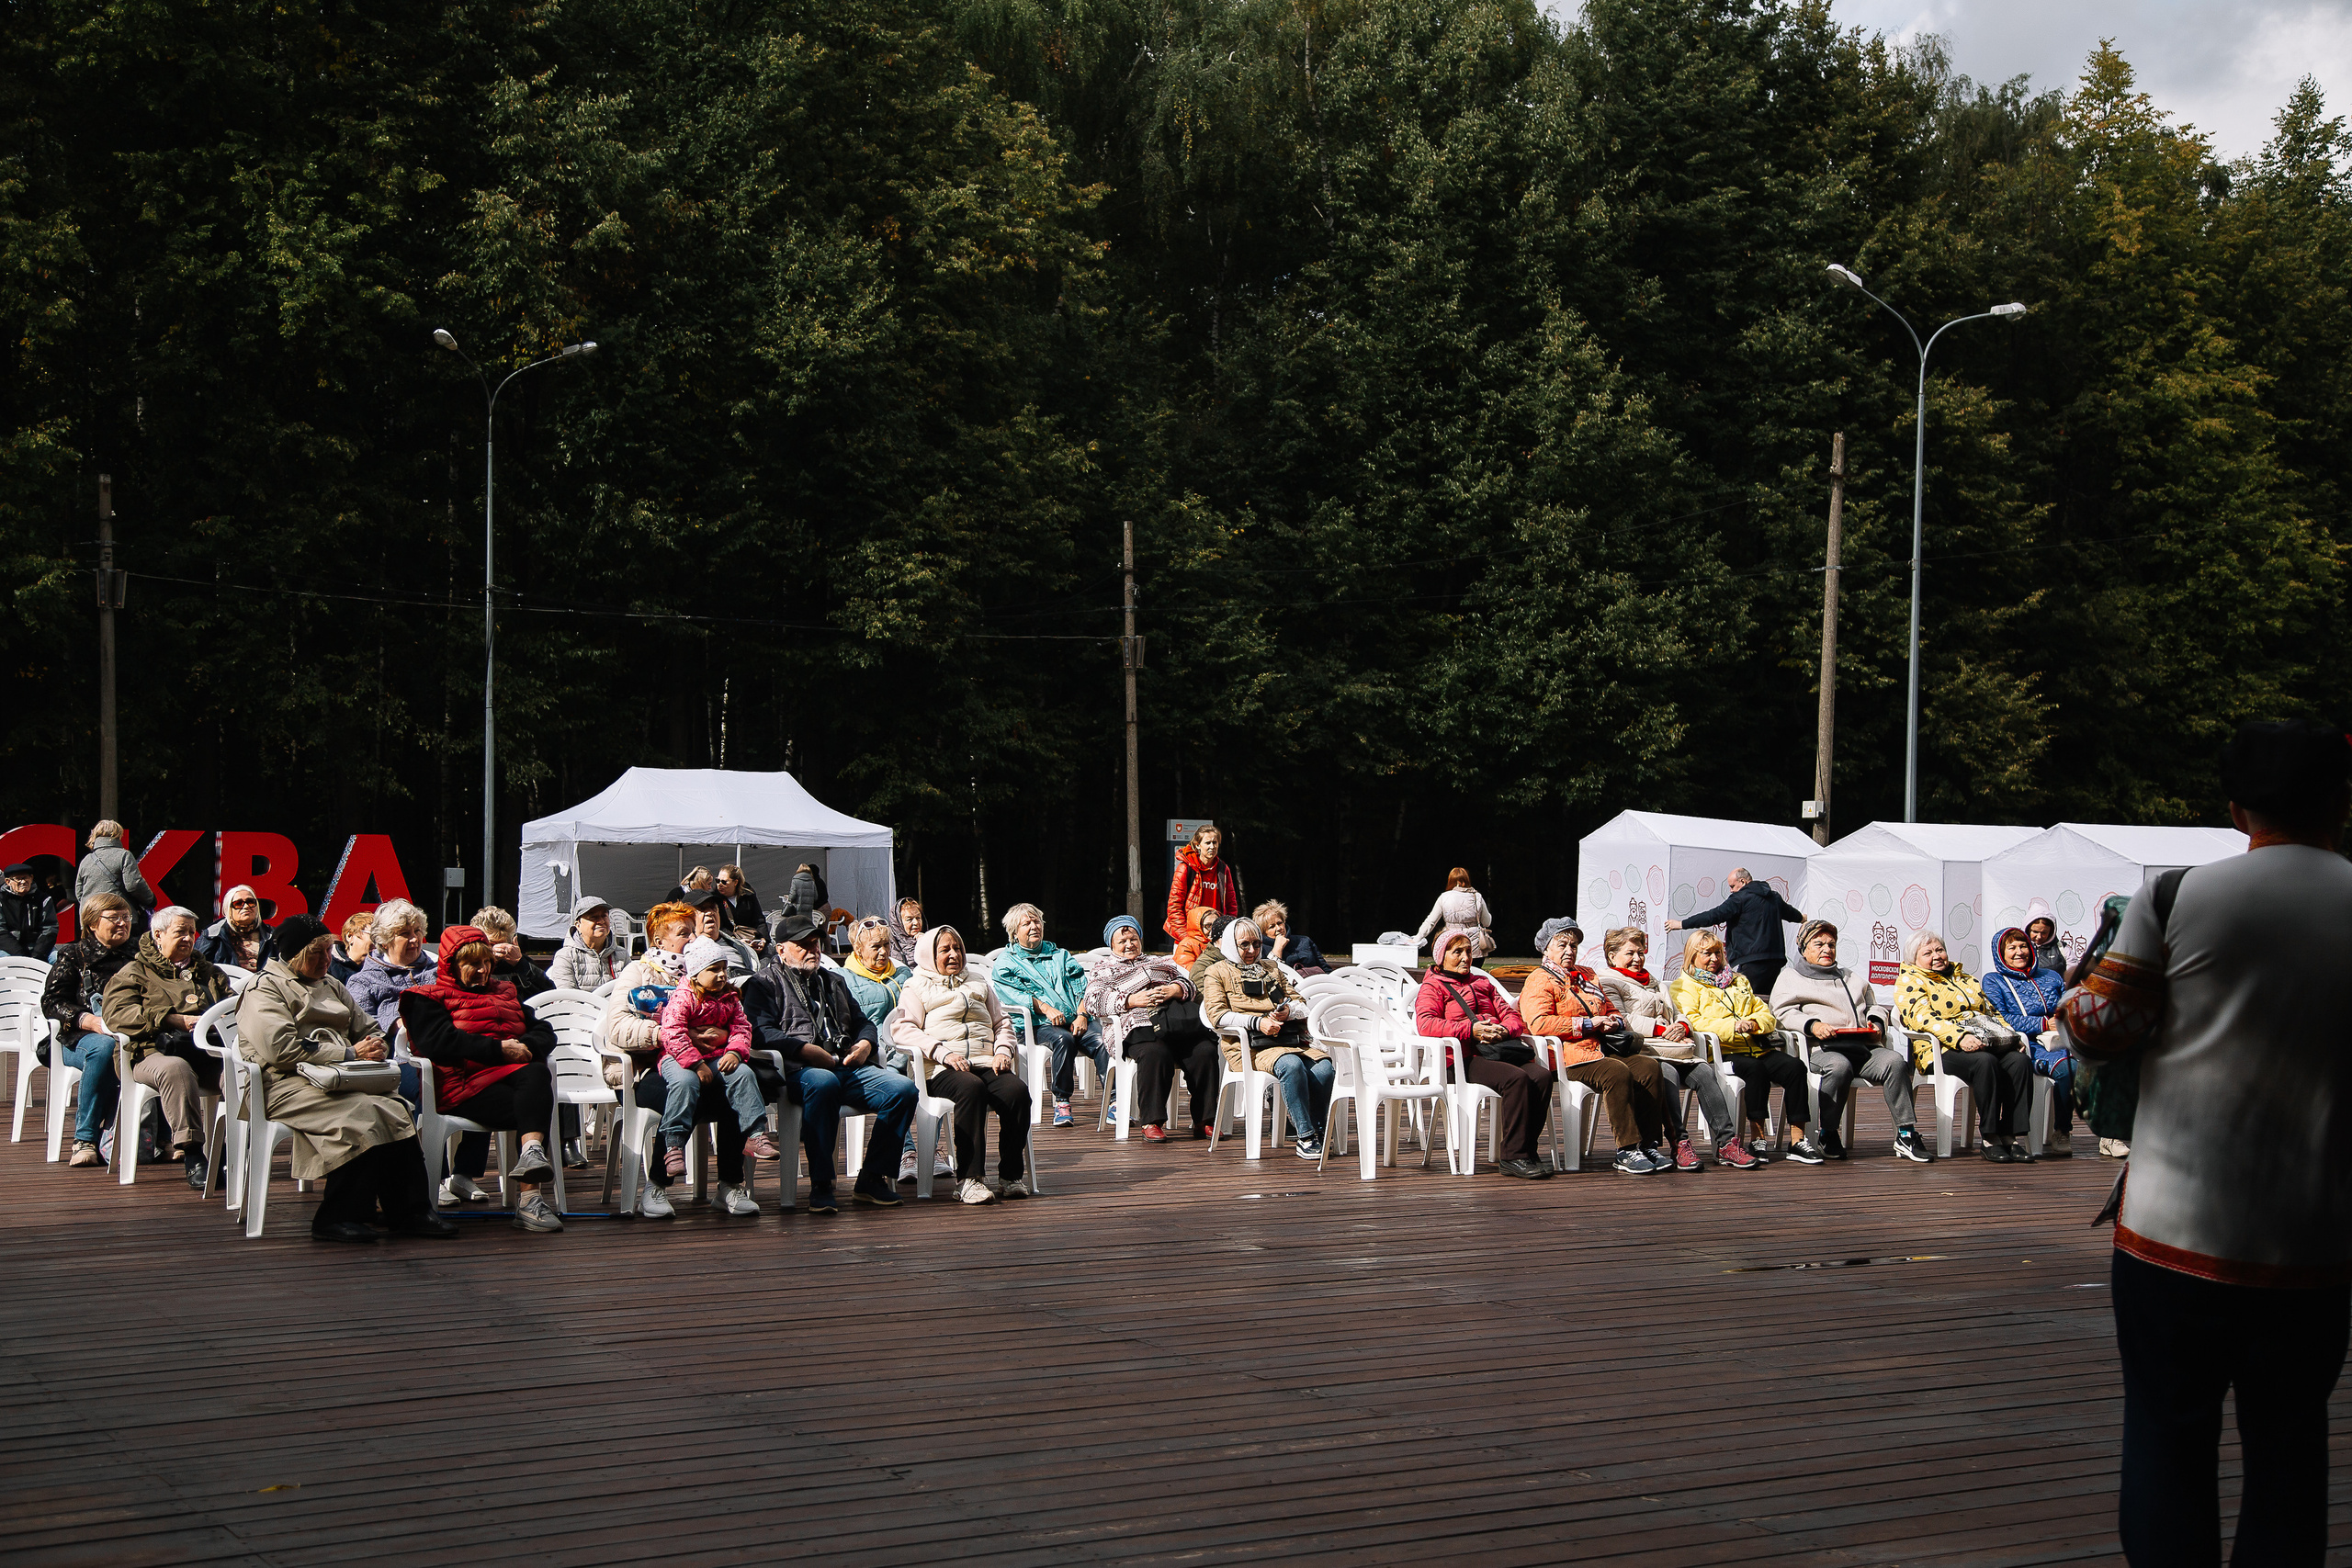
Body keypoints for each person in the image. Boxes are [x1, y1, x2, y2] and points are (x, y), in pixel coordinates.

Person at [2060, 717, 2352, 1564]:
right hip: (2315, 1238)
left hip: (2172, 1232)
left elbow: (2102, 1027)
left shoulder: (2180, 896)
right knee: (2291, 1448)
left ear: (2235, 809)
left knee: (2166, 1438)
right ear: (2343, 801)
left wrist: (2077, 1003)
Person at [235, 913, 458, 1243]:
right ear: (296, 955)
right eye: (317, 953)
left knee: (396, 1109)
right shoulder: (265, 989)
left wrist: (377, 1044)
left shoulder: (331, 984)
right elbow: (281, 1050)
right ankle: (337, 1216)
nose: (327, 959)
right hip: (284, 1083)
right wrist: (350, 1053)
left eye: (328, 951)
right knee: (360, 1114)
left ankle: (409, 1211)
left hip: (341, 1077)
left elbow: (366, 1026)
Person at [397, 924, 567, 1234]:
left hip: (510, 1084)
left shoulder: (506, 992)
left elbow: (544, 1031)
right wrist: (500, 1050)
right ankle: (530, 1199)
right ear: (451, 965)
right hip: (462, 1090)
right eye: (472, 964)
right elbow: (440, 1042)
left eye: (487, 962)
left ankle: (530, 1160)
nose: (483, 970)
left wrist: (527, 1047)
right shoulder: (427, 998)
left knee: (535, 1077)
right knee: (533, 1104)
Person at [743, 909, 915, 1213]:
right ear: (781, 949)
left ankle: (872, 1178)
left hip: (846, 1064)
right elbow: (759, 1032)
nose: (813, 951)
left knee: (903, 1090)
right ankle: (821, 1184)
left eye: (816, 944)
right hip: (799, 1070)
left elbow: (863, 1021)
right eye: (803, 945)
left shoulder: (832, 980)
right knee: (823, 1082)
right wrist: (802, 1050)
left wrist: (865, 1043)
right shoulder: (763, 983)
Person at [603, 904, 740, 1220]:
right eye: (683, 933)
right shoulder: (638, 972)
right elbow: (618, 1028)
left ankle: (730, 1185)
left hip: (704, 1061)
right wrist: (672, 1034)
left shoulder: (706, 972)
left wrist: (722, 1034)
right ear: (659, 941)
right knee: (685, 1089)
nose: (693, 938)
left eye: (693, 931)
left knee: (739, 1085)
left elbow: (735, 1018)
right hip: (648, 1068)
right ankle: (656, 1186)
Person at [1516, 918, 1677, 1175]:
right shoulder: (1539, 980)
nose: (1570, 951)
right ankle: (1627, 1150)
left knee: (1648, 1066)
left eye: (1574, 945)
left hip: (1602, 1049)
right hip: (1569, 1056)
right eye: (1562, 945)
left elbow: (1610, 1008)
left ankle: (1649, 1145)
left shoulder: (1587, 975)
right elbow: (1539, 1024)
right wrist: (1588, 1024)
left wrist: (1613, 1020)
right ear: (1546, 948)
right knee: (1616, 1072)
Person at [1771, 919, 1933, 1164]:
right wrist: (1813, 1025)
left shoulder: (1850, 977)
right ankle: (1828, 1133)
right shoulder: (1791, 978)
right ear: (1804, 949)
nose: (1827, 949)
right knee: (1839, 1066)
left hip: (1861, 1047)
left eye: (1831, 944)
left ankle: (1906, 1134)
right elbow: (1782, 1012)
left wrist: (1876, 1024)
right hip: (1820, 1049)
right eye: (1819, 944)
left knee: (1894, 1061)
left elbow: (1873, 1006)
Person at [892, 925, 1029, 1205]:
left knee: (1017, 1092)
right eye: (945, 950)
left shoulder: (978, 981)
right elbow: (903, 1030)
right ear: (930, 955)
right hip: (940, 1068)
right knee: (971, 1088)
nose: (954, 954)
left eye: (958, 948)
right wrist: (941, 1052)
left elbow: (1002, 1022)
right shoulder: (916, 985)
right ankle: (968, 1179)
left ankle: (1010, 1176)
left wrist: (1003, 1050)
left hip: (985, 1061)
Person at [100, 905, 232, 1189]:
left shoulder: (208, 971)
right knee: (176, 1069)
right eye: (180, 932)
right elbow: (116, 1016)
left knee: (239, 1072)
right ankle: (193, 1153)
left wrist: (220, 1017)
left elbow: (236, 1006)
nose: (188, 938)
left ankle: (229, 1150)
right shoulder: (135, 972)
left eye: (192, 933)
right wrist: (169, 1019)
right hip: (149, 1053)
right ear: (158, 935)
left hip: (207, 1052)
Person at [1594, 926, 1743, 1172]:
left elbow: (1675, 1013)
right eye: (1630, 953)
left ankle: (1727, 1144)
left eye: (1641, 952)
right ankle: (1680, 1143)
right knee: (1667, 1074)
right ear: (1612, 955)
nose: (1637, 959)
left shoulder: (1653, 981)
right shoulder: (1608, 981)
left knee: (1705, 1072)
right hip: (1645, 1051)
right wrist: (1663, 1030)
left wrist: (1683, 1026)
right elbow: (1623, 1019)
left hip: (1674, 1048)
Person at [653, 937, 781, 1216]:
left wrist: (736, 1052)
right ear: (696, 974)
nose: (723, 975)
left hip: (717, 1057)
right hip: (678, 1058)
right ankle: (673, 1146)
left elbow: (742, 1029)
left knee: (744, 1073)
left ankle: (755, 1133)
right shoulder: (683, 996)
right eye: (715, 969)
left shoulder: (730, 998)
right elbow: (671, 1033)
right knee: (685, 1083)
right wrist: (695, 1063)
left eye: (724, 968)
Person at [1416, 924, 1555, 1179]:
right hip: (1461, 1059)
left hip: (1498, 1050)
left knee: (1542, 1077)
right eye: (1457, 952)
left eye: (1468, 951)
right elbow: (1426, 1024)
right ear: (1441, 956)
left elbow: (1512, 1016)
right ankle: (1513, 1157)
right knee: (1516, 1079)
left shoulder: (1483, 982)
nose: (1465, 957)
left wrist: (1504, 1030)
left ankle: (1527, 1149)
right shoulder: (1433, 986)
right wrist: (1471, 1029)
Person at [1896, 930, 2032, 1164]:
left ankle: (2010, 1135)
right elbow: (1922, 1019)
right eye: (1927, 953)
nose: (1937, 956)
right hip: (1939, 1050)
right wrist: (1959, 1038)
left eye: (1939, 950)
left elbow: (1991, 1012)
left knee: (2020, 1061)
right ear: (1914, 959)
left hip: (1983, 1042)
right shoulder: (1910, 979)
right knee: (1985, 1062)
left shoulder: (1965, 978)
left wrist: (2010, 1036)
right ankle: (1990, 1137)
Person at [1668, 931, 1800, 1170]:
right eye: (1706, 953)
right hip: (1721, 1052)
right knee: (1754, 1069)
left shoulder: (1739, 981)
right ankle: (1757, 1138)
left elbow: (1764, 1012)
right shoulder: (1684, 986)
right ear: (1692, 956)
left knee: (1795, 1067)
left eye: (1717, 952)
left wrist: (1756, 1024)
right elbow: (1694, 1022)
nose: (1714, 958)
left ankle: (1798, 1140)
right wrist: (1733, 1027)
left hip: (1756, 1046)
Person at [1202, 917, 1329, 1158]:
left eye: (1257, 944)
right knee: (1290, 1065)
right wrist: (1257, 1022)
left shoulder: (1271, 968)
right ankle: (1305, 1136)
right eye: (1244, 945)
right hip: (1249, 1047)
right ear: (1230, 944)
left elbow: (1301, 1003)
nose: (1252, 951)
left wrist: (1287, 1010)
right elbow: (1217, 1016)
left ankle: (1319, 1131)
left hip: (1288, 1040)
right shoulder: (1216, 972)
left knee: (1324, 1067)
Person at [1083, 916, 1215, 1144]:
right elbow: (1093, 1001)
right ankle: (1151, 1121)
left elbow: (1190, 985)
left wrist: (1173, 990)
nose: (1129, 944)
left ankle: (1204, 1120)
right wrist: (1132, 1000)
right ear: (1111, 945)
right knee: (1155, 1053)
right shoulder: (1104, 968)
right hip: (1134, 1025)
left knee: (1204, 1051)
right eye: (1122, 940)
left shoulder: (1161, 962)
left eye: (1133, 938)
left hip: (1174, 1023)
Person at [40, 892, 141, 1166]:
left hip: (132, 1033)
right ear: (93, 923)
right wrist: (91, 1021)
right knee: (105, 1048)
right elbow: (51, 1002)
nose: (122, 923)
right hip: (79, 1038)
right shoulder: (73, 954)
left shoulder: (140, 953)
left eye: (126, 917)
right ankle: (84, 1139)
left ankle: (155, 1138)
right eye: (114, 918)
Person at [990, 903, 1104, 1129]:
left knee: (1104, 1039)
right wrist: (1045, 1009)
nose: (1034, 926)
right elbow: (1013, 995)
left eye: (1037, 922)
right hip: (1034, 1025)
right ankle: (1062, 1101)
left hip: (1075, 1019)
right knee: (1064, 1039)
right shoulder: (1006, 962)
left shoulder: (1060, 955)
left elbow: (1083, 987)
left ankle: (1115, 1100)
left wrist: (1082, 1014)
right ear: (1014, 932)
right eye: (1027, 923)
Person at [1984, 925, 2072, 1156]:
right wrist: (2043, 1024)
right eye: (2011, 947)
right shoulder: (1994, 981)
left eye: (2023, 946)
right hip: (2028, 1046)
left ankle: (2110, 1136)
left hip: (2060, 1040)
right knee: (2066, 1070)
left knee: (2098, 1064)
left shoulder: (2050, 976)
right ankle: (2063, 1130)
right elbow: (2001, 1019)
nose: (2019, 952)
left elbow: (2066, 1006)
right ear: (2000, 954)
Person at [1667, 867, 1806, 997]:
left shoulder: (1740, 899)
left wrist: (1681, 924)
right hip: (1775, 960)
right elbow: (1791, 913)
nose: (1731, 891)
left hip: (1751, 960)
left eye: (1732, 886)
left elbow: (1714, 915)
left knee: (1744, 1001)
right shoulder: (1774, 897)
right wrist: (1802, 918)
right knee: (1765, 1002)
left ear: (1743, 882)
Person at [346, 898, 434, 1042]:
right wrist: (395, 1024)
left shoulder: (439, 972)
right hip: (395, 1057)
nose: (414, 939)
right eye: (405, 933)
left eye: (417, 931)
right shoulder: (363, 982)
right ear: (384, 942)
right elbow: (360, 1027)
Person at [1162, 824, 1241, 947]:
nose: (1212, 847)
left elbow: (1231, 906)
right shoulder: (1185, 868)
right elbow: (1174, 907)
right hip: (1188, 939)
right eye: (1207, 843)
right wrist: (1186, 938)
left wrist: (1224, 933)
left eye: (1215, 842)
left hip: (1215, 939)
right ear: (1198, 845)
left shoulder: (1223, 869)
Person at [548, 895, 630, 992]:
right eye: (593, 917)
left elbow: (630, 992)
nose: (601, 921)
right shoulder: (565, 956)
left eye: (604, 916)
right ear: (578, 925)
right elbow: (565, 997)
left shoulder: (622, 955)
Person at [74, 820, 153, 915]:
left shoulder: (86, 860)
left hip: (91, 918)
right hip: (118, 916)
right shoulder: (124, 855)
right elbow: (133, 885)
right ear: (118, 834)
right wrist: (150, 899)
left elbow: (79, 892)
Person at [1412, 868, 1494, 960]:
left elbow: (1430, 922)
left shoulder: (1444, 897)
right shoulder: (1477, 897)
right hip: (1474, 948)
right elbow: (1487, 922)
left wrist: (1416, 939)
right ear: (1466, 880)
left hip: (1452, 945)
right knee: (1474, 973)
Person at [197, 886, 277, 973]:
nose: (246, 907)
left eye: (250, 902)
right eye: (238, 903)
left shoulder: (273, 936)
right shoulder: (212, 936)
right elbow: (197, 967)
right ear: (228, 909)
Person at [686, 891, 756, 977]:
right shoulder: (686, 950)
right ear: (688, 918)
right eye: (702, 909)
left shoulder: (742, 947)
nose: (710, 913)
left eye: (713, 908)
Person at [1255, 901, 1329, 976]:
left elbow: (1326, 969)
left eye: (1279, 923)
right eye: (1272, 927)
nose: (1278, 928)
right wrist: (1277, 950)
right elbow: (1267, 978)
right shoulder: (1260, 949)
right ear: (1263, 932)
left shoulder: (1305, 941)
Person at [0, 862, 58, 960]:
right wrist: (21, 955)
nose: (23, 882)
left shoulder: (43, 899)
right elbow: (1, 932)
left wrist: (38, 955)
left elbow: (50, 929)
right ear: (8, 882)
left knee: (58, 959)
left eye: (26, 878)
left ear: (31, 878)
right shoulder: (2, 900)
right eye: (18, 879)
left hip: (38, 947)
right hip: (9, 949)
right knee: (4, 963)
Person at [713, 864, 763, 942]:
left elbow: (759, 920)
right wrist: (735, 940)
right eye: (717, 881)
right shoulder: (714, 898)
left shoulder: (748, 895)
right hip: (727, 940)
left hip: (750, 937)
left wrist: (763, 939)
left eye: (724, 882)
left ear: (735, 882)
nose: (720, 885)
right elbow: (719, 926)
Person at [328, 912, 373, 984]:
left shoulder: (376, 970)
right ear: (350, 936)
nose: (378, 941)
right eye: (373, 935)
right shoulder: (327, 965)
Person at [1173, 904, 1220, 970]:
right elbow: (1189, 971)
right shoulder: (1187, 945)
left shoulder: (1220, 942)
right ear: (1197, 926)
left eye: (1216, 924)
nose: (1213, 929)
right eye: (1208, 926)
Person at [2023, 898, 2064, 973]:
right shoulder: (2017, 949)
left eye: (2044, 932)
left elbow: (2074, 974)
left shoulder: (2062, 948)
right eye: (2035, 932)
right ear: (2027, 929)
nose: (2039, 936)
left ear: (2051, 931)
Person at [889, 897, 925, 970]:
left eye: (918, 918)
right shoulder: (889, 944)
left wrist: (926, 943)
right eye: (909, 919)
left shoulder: (929, 940)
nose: (916, 923)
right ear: (898, 923)